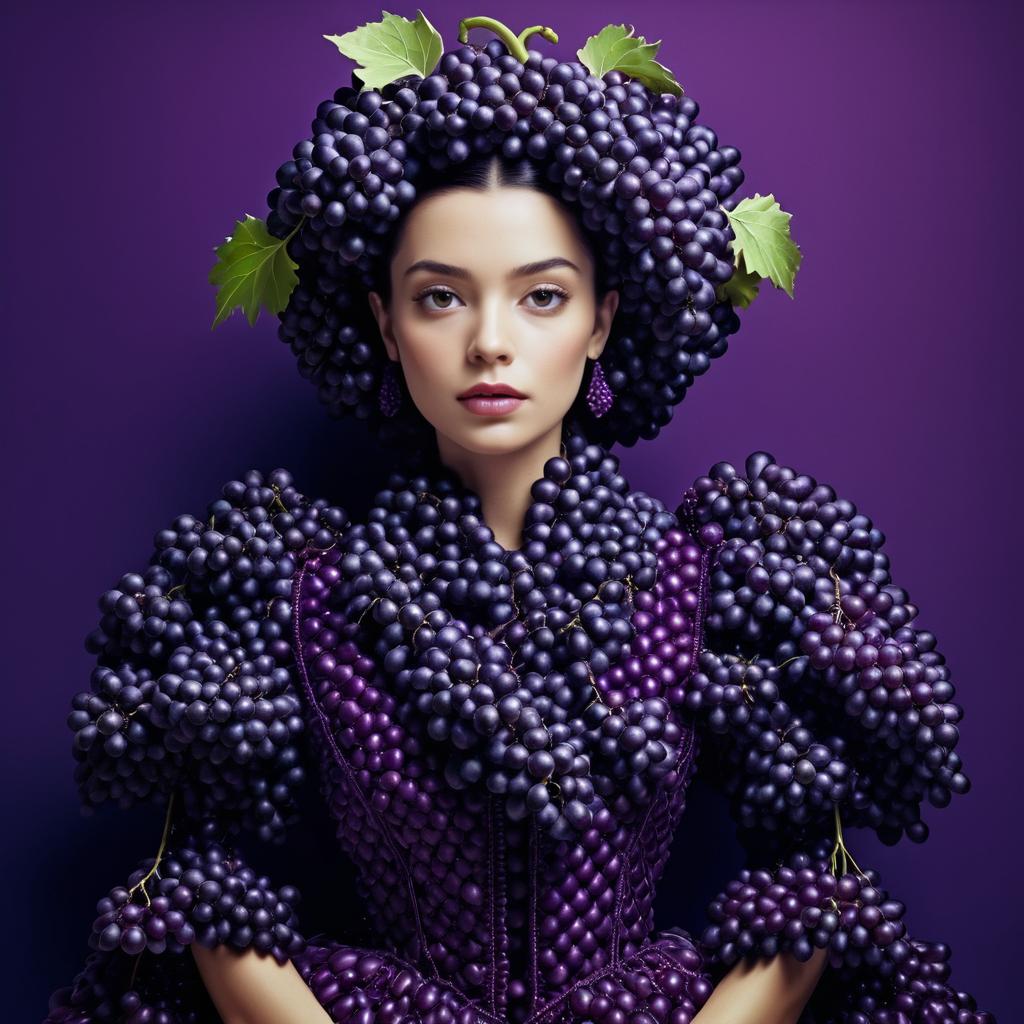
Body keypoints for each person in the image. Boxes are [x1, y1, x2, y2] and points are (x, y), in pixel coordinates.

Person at [45, 14, 993, 1024]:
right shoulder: (295, 587)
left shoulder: (712, 577)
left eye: (540, 297)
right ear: (382, 322)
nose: (489, 343)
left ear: (602, 320)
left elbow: (816, 871)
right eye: (440, 298)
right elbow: (200, 874)